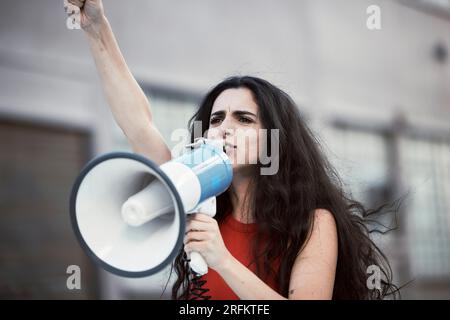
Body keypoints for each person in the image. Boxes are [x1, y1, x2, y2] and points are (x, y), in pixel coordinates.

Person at [65, 0, 400, 300]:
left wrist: (221, 259)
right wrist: (97, 29)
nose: (225, 127)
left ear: (274, 139)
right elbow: (137, 124)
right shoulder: (189, 197)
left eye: (244, 119)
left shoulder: (312, 221)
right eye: (217, 118)